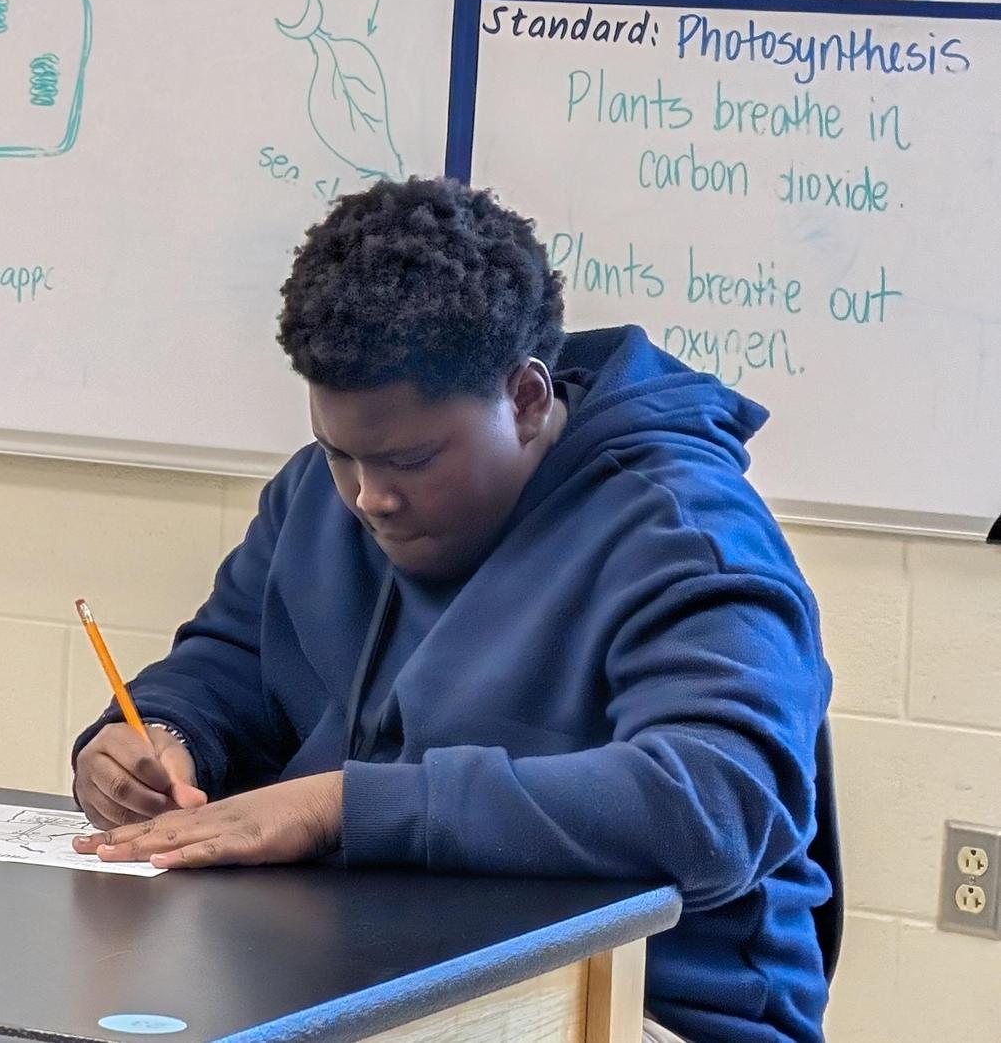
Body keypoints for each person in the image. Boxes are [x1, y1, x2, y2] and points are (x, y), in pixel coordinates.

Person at [69, 177, 831, 1043]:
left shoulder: (682, 529)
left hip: (649, 1011)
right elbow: (237, 658)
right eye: (339, 453)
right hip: (358, 975)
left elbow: (718, 803)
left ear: (528, 398)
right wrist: (159, 732)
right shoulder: (327, 494)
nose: (368, 497)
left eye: (412, 459)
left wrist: (342, 807)